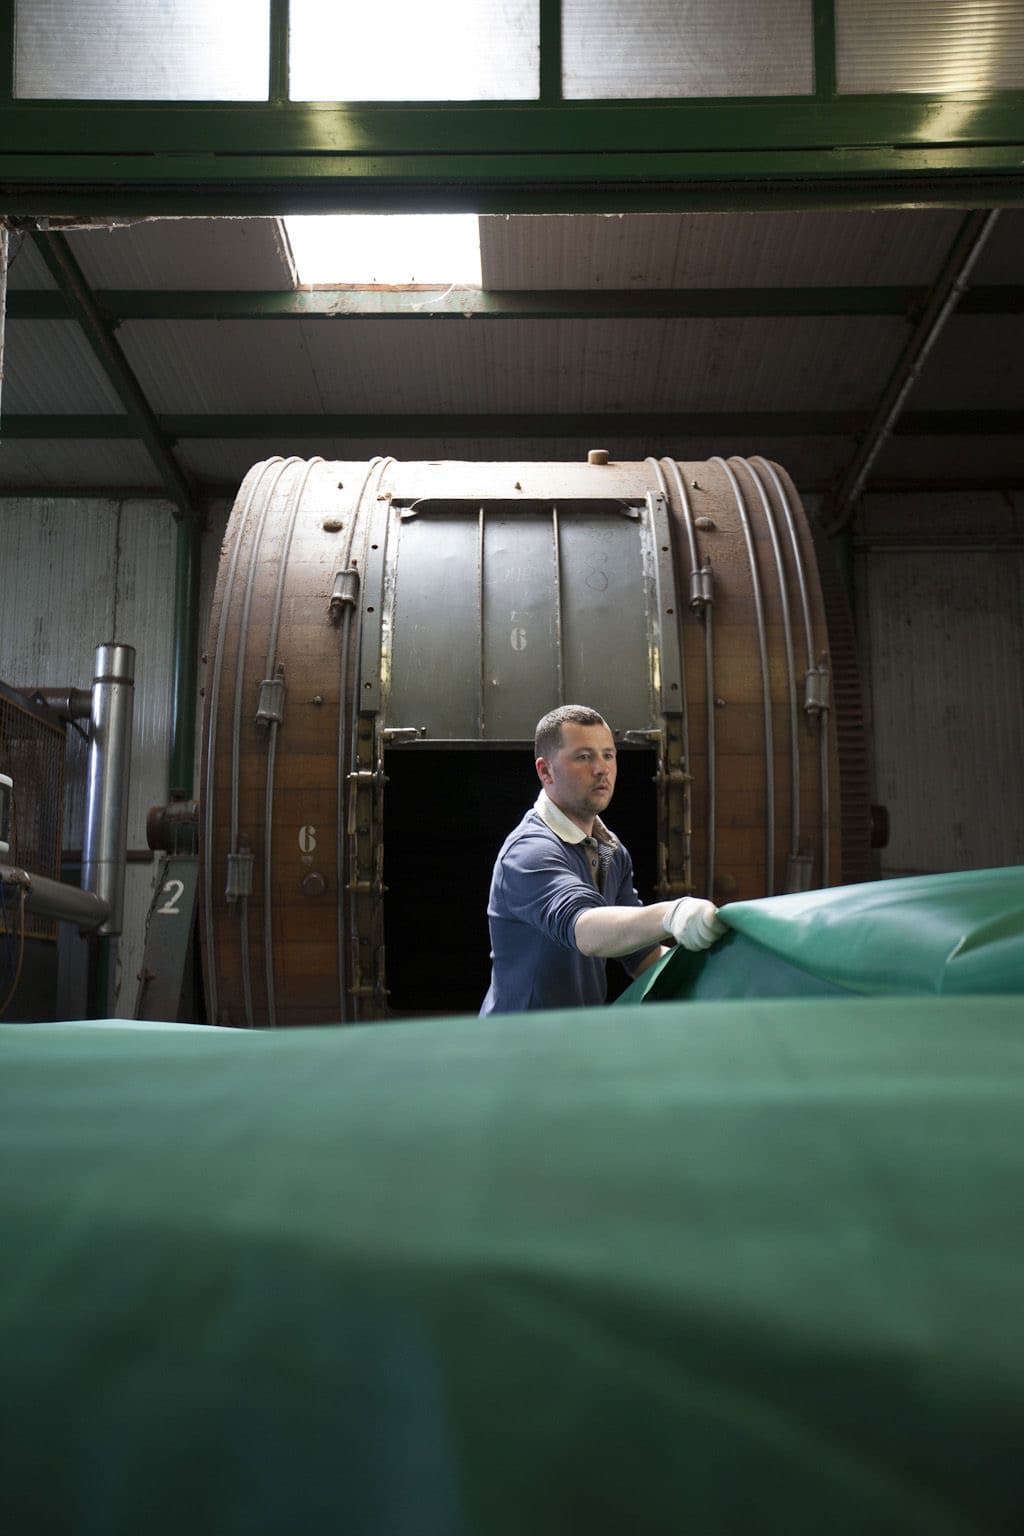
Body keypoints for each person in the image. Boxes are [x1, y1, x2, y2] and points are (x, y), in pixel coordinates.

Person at [480, 705, 725, 1015]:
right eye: (584, 757)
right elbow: (585, 930)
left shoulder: (611, 851)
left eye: (608, 755)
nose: (601, 769)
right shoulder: (529, 852)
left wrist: (716, 974)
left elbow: (642, 958)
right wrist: (672, 913)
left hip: (579, 1038)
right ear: (545, 771)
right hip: (520, 1047)